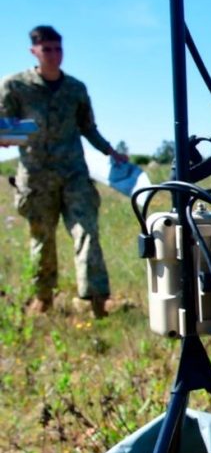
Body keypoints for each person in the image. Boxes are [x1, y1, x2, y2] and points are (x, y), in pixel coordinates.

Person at [1, 25, 129, 318]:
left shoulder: (75, 89)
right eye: (47, 49)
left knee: (87, 233)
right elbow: (3, 127)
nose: (54, 55)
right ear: (34, 51)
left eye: (58, 49)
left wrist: (110, 152)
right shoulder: (14, 86)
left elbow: (87, 128)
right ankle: (42, 299)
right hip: (35, 179)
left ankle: (96, 301)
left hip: (74, 175)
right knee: (42, 240)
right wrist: (17, 133)